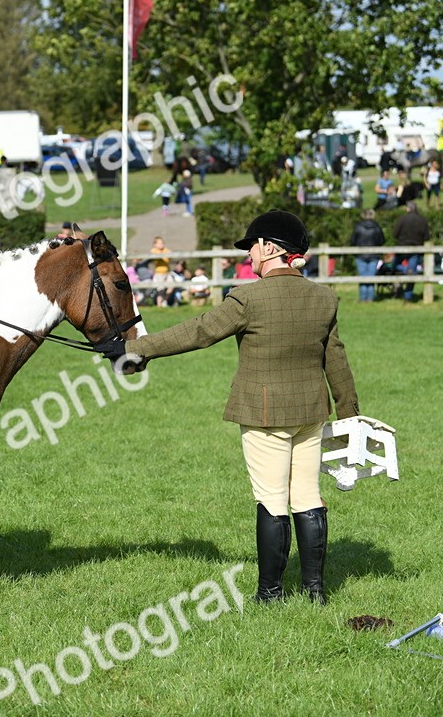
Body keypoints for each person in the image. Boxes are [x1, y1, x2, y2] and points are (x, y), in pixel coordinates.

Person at [98, 210, 358, 605]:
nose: (248, 255)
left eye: (252, 247)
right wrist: (349, 413)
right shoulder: (324, 297)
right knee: (307, 497)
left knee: (272, 500)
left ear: (271, 248)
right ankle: (315, 591)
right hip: (311, 413)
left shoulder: (247, 297)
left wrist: (133, 348)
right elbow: (335, 358)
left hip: (264, 414)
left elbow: (198, 332)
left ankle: (270, 594)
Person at [391, 201, 430, 301]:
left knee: (394, 266)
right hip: (415, 249)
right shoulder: (422, 220)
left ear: (408, 209)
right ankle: (408, 296)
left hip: (401, 247)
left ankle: (405, 271)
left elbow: (394, 234)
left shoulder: (402, 219)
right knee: (412, 273)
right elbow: (426, 237)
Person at [349, 209, 385, 303]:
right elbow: (381, 241)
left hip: (360, 255)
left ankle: (363, 298)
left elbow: (353, 241)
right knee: (371, 277)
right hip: (374, 255)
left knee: (363, 277)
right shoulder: (377, 227)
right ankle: (370, 298)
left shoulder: (358, 227)